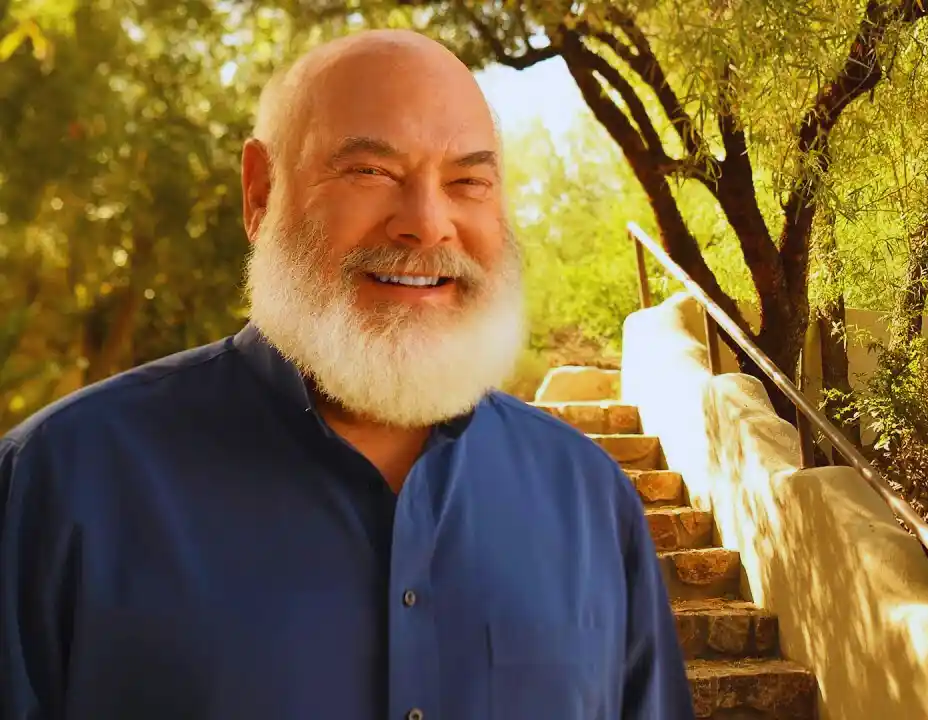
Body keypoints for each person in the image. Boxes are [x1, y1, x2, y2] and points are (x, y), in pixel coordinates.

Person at [0, 29, 695, 720]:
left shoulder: (591, 503)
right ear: (260, 193)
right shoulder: (59, 485)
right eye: (371, 172)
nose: (427, 225)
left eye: (468, 182)